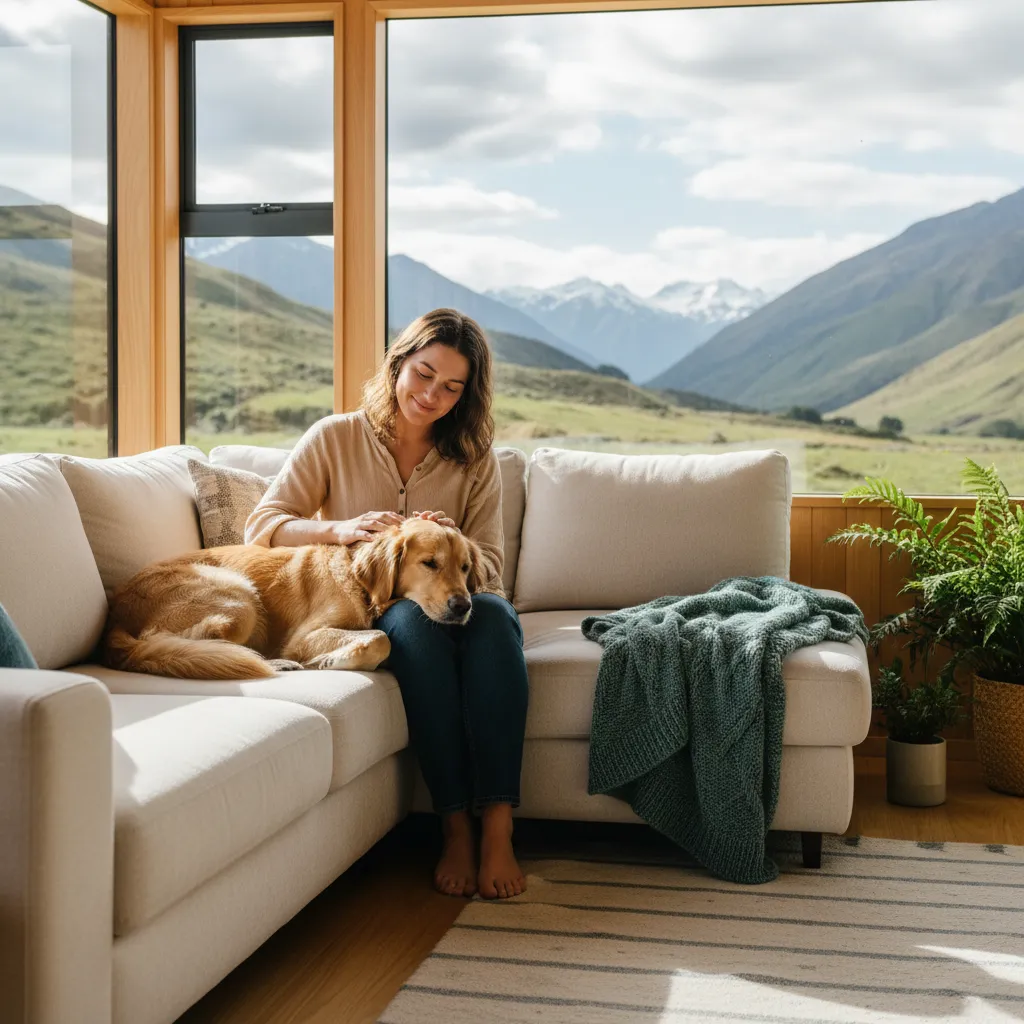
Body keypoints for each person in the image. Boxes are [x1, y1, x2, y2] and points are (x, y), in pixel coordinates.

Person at [245, 308, 529, 900]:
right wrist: (341, 529)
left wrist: (452, 544)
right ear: (398, 363)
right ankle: (454, 826)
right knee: (409, 625)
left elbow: (493, 569)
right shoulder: (335, 437)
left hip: (464, 601)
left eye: (452, 387)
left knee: (497, 618)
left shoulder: (475, 458)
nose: (432, 395)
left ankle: (498, 825)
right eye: (423, 374)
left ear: (468, 394)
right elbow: (263, 527)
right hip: (381, 607)